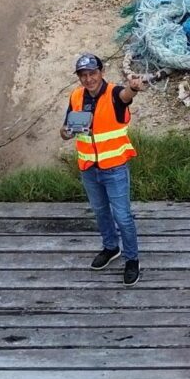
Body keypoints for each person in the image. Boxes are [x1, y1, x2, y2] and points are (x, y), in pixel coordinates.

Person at [61, 53, 141, 283]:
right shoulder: (76, 96)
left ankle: (132, 259)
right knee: (100, 212)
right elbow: (65, 130)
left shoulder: (114, 93)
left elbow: (126, 96)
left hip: (114, 168)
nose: (88, 79)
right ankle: (110, 247)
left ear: (101, 72)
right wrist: (66, 132)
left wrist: (133, 88)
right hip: (88, 168)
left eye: (92, 73)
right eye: (83, 75)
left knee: (123, 216)